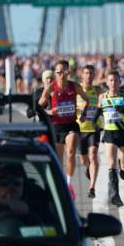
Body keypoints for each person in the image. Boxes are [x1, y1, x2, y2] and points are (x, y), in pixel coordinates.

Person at [38, 60, 90, 199]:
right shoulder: (51, 88)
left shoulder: (75, 86)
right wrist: (50, 112)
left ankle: (68, 183)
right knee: (59, 159)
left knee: (72, 151)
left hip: (72, 124)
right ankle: (61, 183)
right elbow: (39, 106)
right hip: (57, 126)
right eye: (58, 72)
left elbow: (86, 99)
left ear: (69, 72)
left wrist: (84, 112)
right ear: (55, 74)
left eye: (64, 72)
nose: (61, 75)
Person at [96, 70, 124, 207]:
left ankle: (123, 169)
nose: (113, 83)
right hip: (110, 133)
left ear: (120, 82)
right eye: (110, 80)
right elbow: (97, 113)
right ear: (107, 83)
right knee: (111, 163)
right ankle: (115, 195)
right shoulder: (102, 97)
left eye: (116, 80)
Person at [77, 65, 102, 199]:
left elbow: (103, 102)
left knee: (93, 155)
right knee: (84, 159)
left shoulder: (97, 91)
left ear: (93, 75)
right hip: (80, 129)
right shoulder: (77, 89)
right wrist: (79, 107)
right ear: (82, 75)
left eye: (90, 73)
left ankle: (92, 187)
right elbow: (70, 105)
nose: (88, 76)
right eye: (86, 73)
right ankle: (88, 168)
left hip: (94, 127)